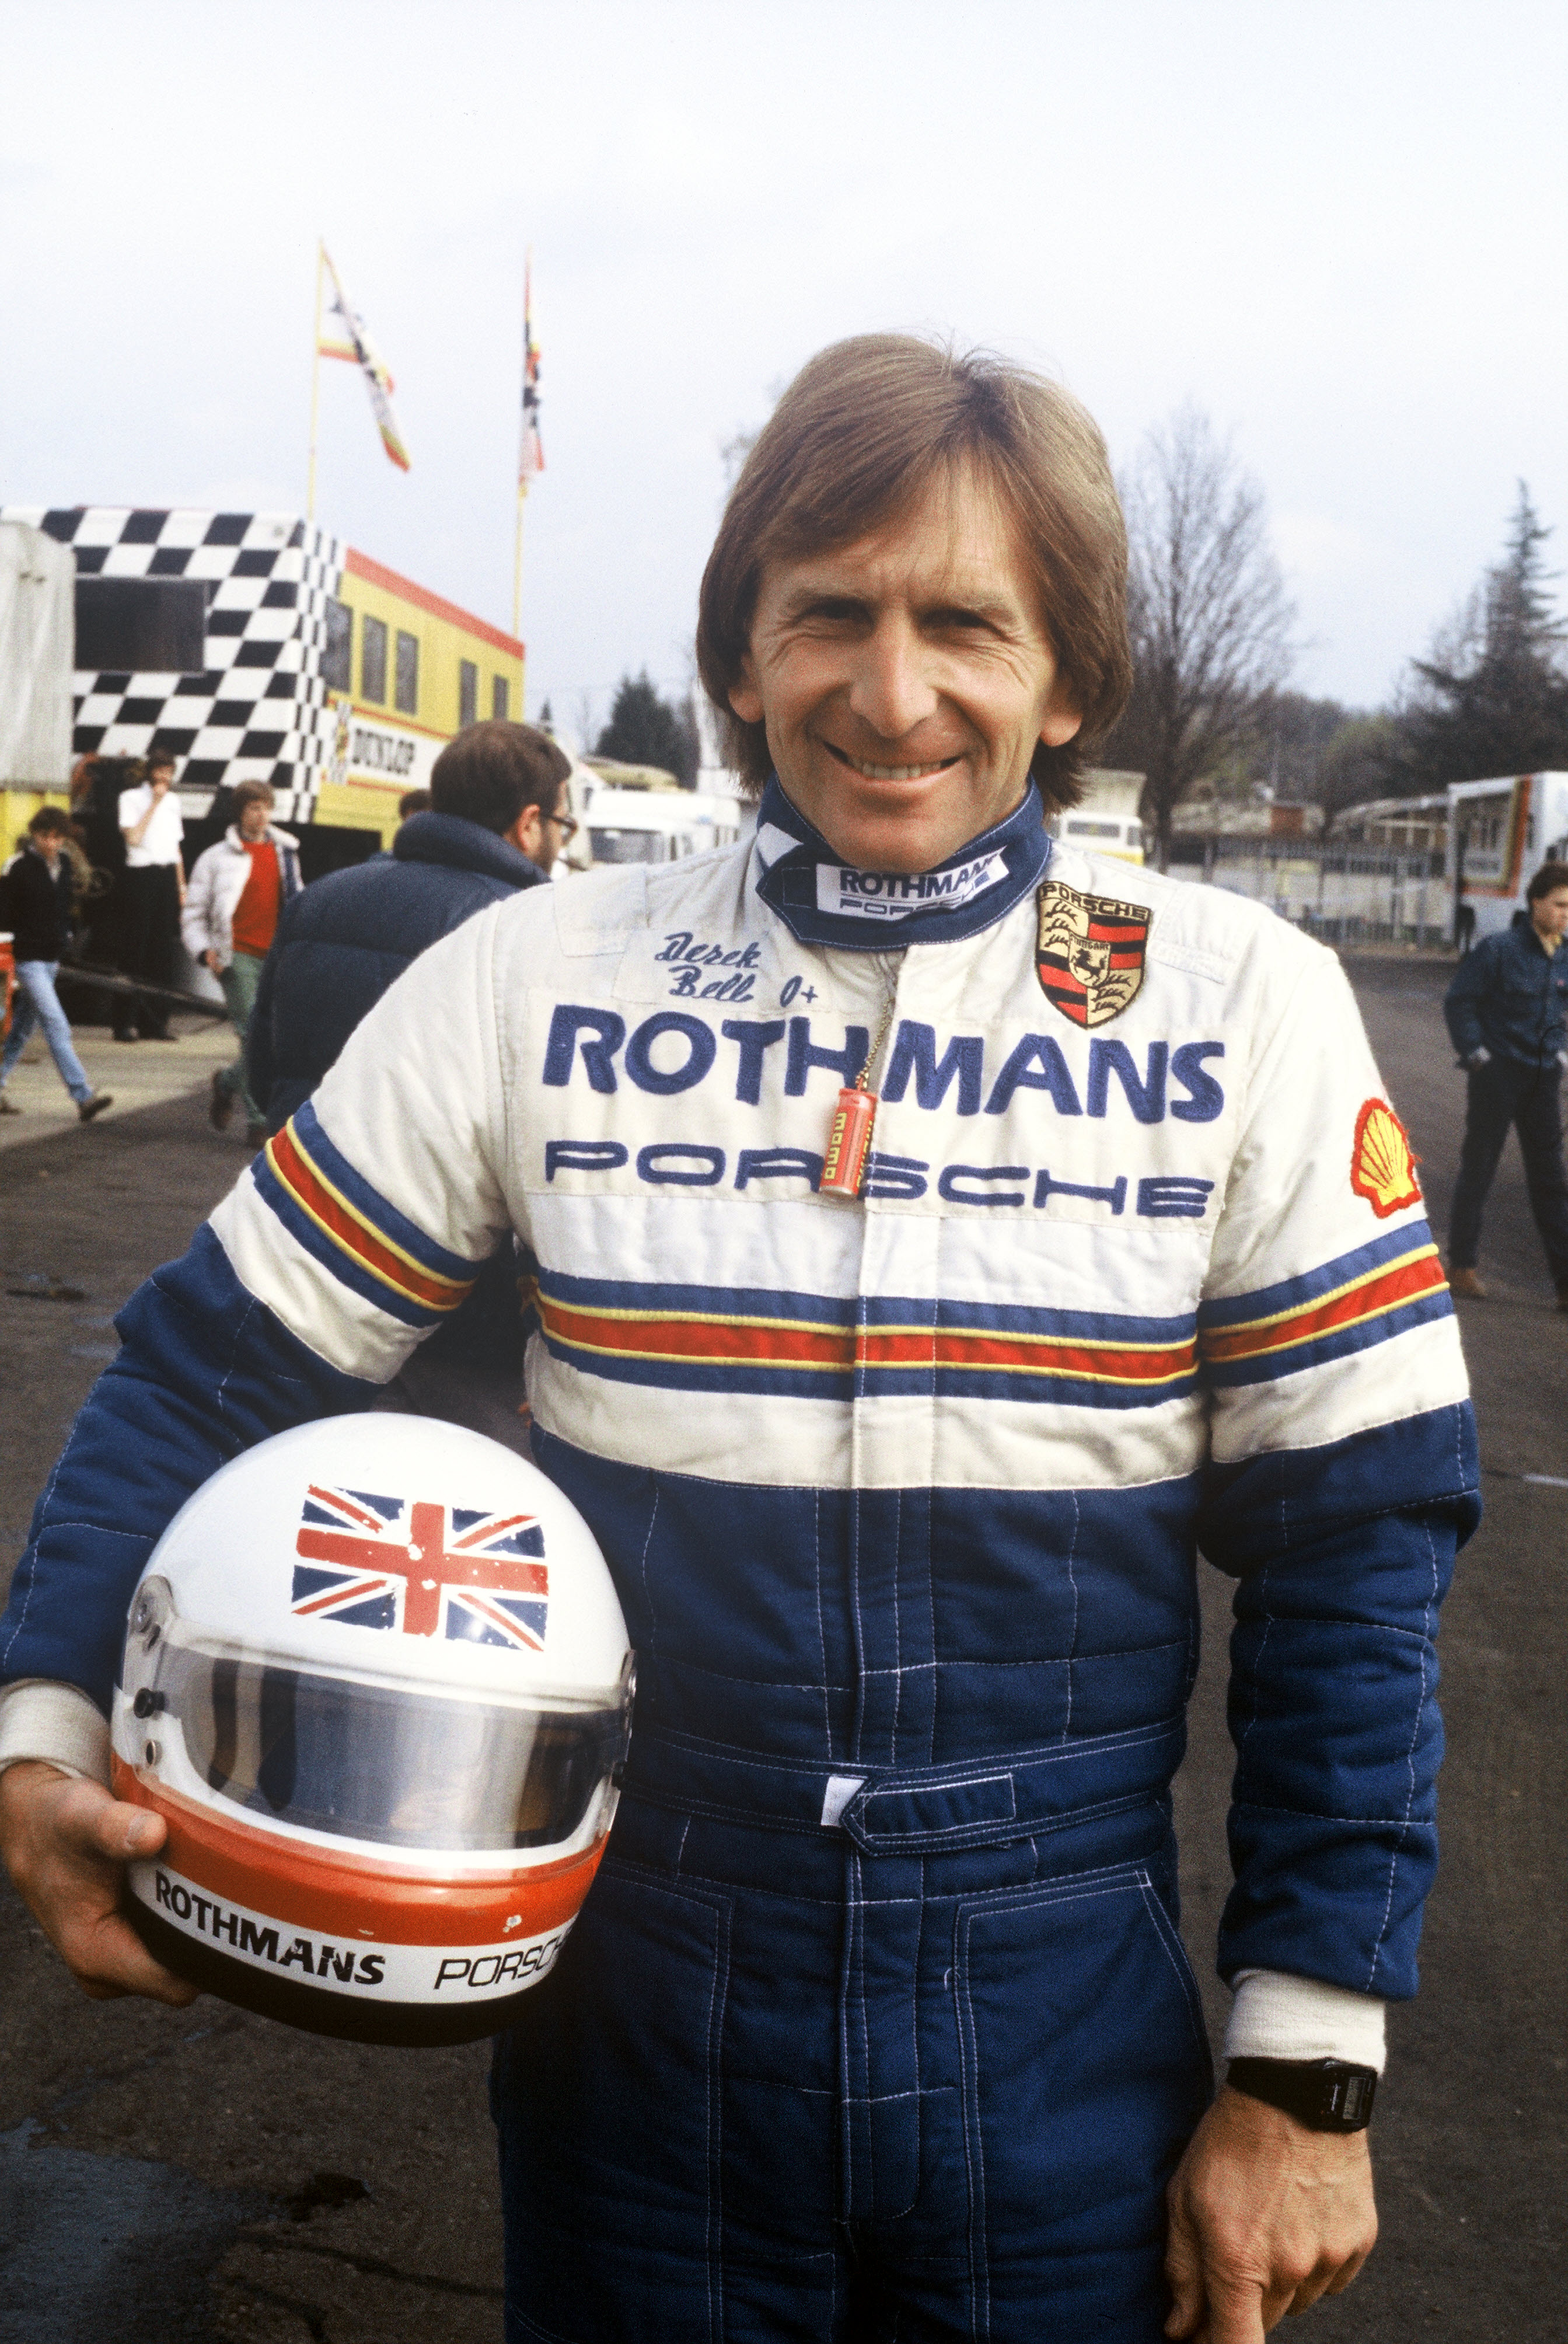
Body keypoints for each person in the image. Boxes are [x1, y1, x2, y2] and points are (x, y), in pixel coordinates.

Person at [0, 338, 1477, 2343]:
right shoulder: (531, 971)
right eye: (826, 616)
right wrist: (46, 1728)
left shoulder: (1244, 1006)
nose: (890, 692)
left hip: (1063, 2014)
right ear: (737, 653)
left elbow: (1353, 1548)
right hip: (644, 2011)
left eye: (965, 619)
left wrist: (1304, 2071)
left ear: (1065, 677)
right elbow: (210, 1363)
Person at [243, 718, 570, 1443]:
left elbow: (262, 1073)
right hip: (462, 1309)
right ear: (528, 824)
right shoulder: (535, 935)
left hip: (305, 1263)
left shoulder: (318, 902)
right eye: (562, 824)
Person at [1443, 857, 1568, 1305]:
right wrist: (1476, 1056)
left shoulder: (1565, 955)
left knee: (1551, 1179)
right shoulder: (1498, 950)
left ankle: (1563, 1282)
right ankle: (1461, 1266)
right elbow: (1459, 1002)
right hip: (1497, 1076)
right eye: (1557, 905)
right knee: (1479, 1171)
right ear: (1534, 901)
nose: (1564, 914)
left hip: (1541, 1081)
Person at [181, 781, 302, 1144]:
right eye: (253, 808)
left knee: (273, 1037)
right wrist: (205, 951)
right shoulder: (216, 857)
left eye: (266, 807)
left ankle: (226, 1082)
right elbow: (194, 912)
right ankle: (259, 1119)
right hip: (237, 958)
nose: (261, 814)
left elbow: (299, 901)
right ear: (240, 812)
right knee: (253, 1037)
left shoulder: (286, 854)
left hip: (277, 955)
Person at [0, 808, 113, 1123]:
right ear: (35, 834)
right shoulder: (18, 867)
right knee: (56, 1024)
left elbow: (64, 905)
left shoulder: (63, 865)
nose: (51, 843)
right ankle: (83, 1095)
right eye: (45, 836)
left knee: (22, 1030)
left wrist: (67, 934)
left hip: (50, 958)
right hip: (28, 959)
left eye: (57, 837)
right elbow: (5, 910)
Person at [115, 752, 185, 1042]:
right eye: (160, 771)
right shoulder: (130, 798)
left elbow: (176, 847)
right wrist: (154, 803)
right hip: (141, 874)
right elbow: (133, 838)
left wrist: (182, 886)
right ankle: (124, 1022)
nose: (164, 777)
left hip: (166, 874)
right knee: (135, 947)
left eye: (169, 772)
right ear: (150, 772)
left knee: (162, 950)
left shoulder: (174, 802)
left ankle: (155, 1021)